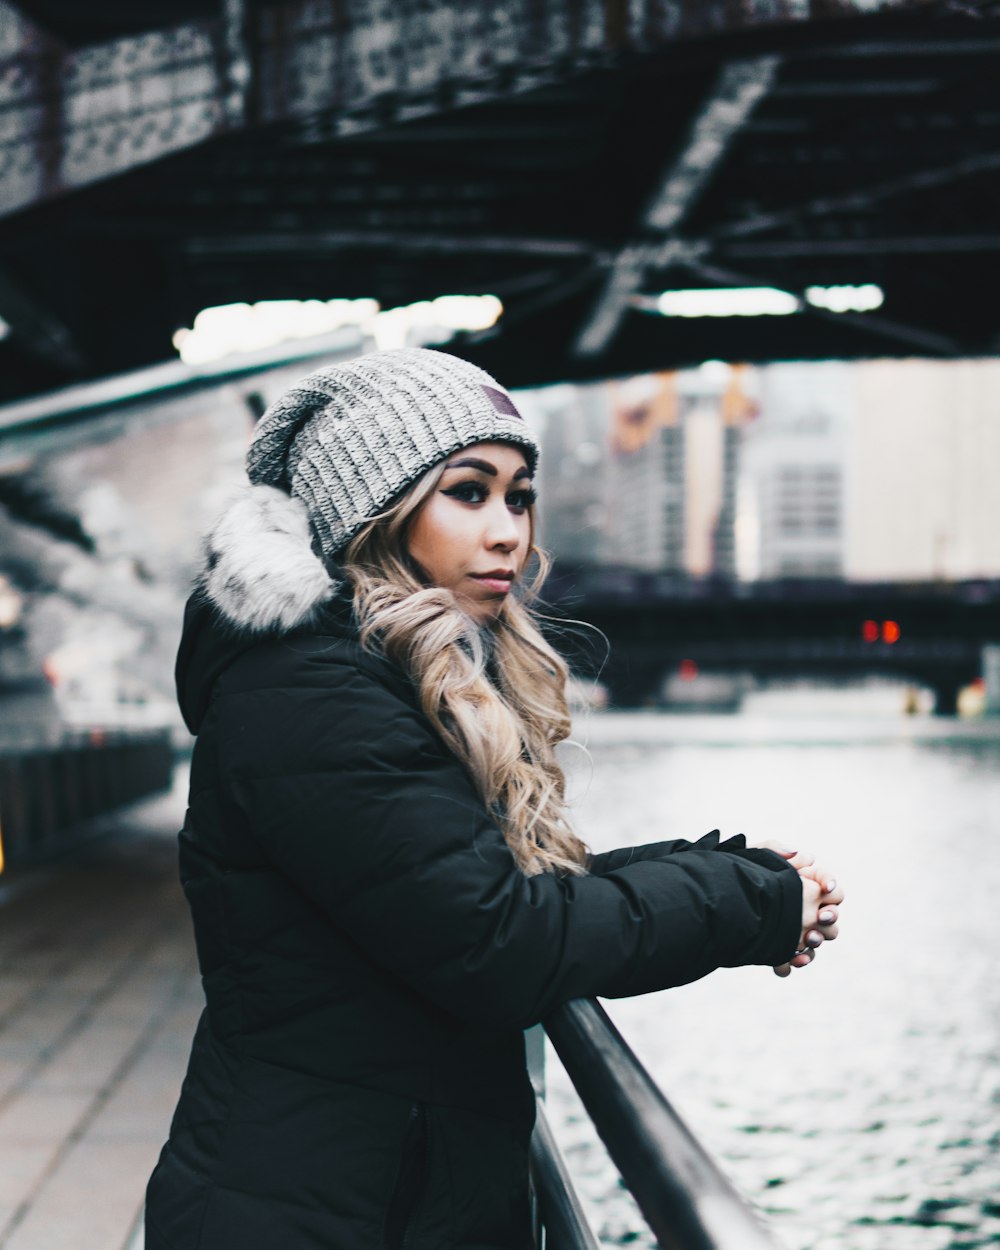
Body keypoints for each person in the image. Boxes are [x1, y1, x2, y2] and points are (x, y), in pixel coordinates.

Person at [145, 347, 842, 1250]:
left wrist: (735, 871)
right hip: (318, 1209)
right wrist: (749, 907)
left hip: (361, 1187)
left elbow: (470, 882)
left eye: (518, 495)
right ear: (373, 517)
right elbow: (497, 940)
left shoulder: (350, 680)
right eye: (468, 492)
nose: (510, 529)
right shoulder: (314, 696)